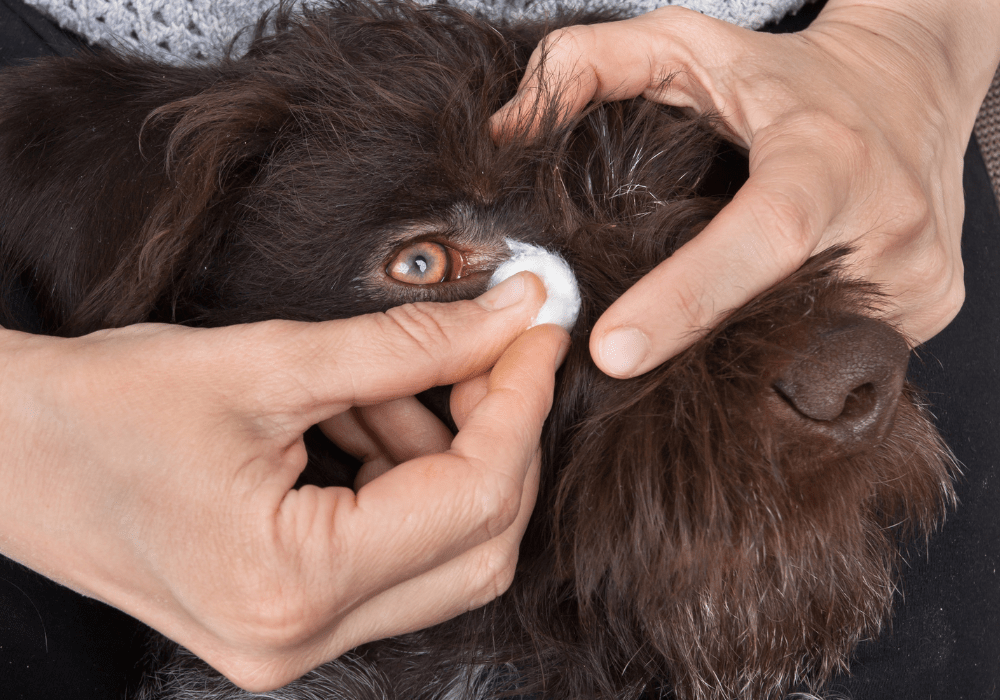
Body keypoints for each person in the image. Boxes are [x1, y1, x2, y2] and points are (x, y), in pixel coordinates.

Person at [1, 0, 999, 698]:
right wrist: (26, 429)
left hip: (788, 84)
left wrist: (908, 44)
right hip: (87, 100)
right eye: (434, 262)